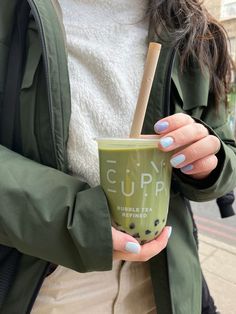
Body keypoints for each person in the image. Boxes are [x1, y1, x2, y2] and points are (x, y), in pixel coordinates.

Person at [0, 0, 235, 313]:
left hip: (166, 284)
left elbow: (225, 146)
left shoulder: (194, 27)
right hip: (40, 284)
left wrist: (210, 161)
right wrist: (76, 219)